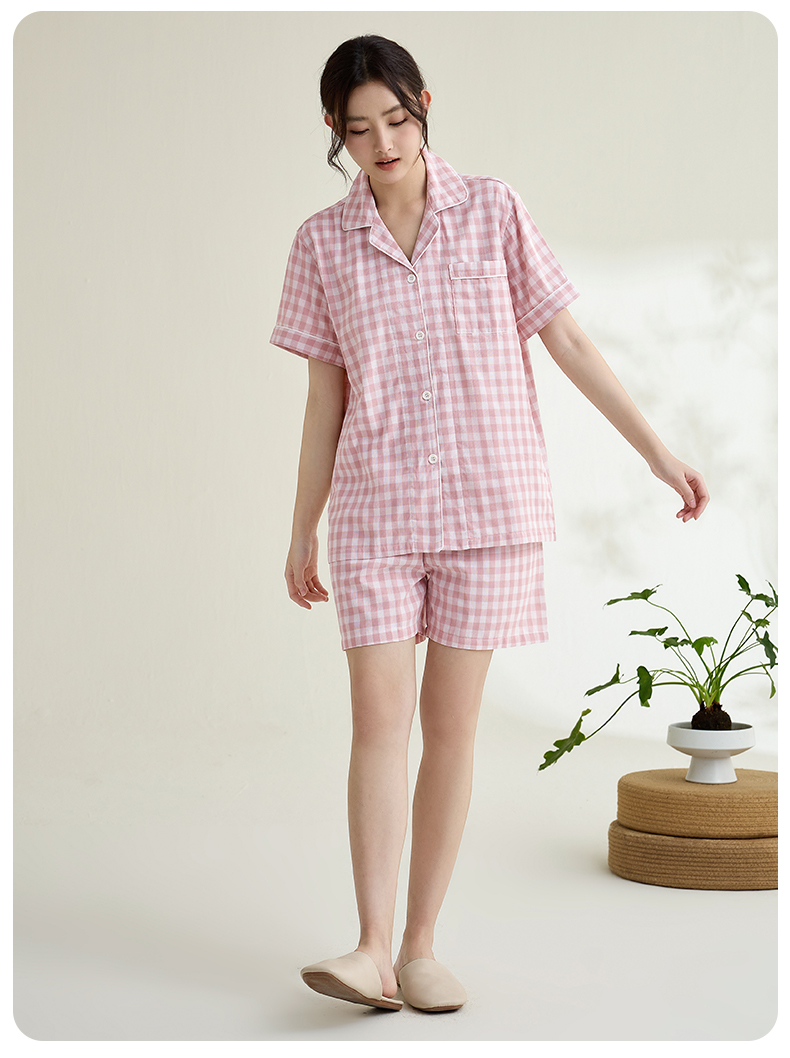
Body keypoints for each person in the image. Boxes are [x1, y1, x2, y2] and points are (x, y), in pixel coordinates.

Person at [270, 35, 709, 1014]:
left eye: (396, 119)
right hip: (376, 511)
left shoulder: (494, 209)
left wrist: (656, 452)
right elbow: (323, 397)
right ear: (334, 132)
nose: (383, 143)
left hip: (489, 506)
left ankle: (421, 946)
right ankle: (371, 948)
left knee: (451, 728)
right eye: (357, 129)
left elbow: (568, 338)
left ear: (424, 104)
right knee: (377, 723)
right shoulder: (321, 243)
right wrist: (303, 526)